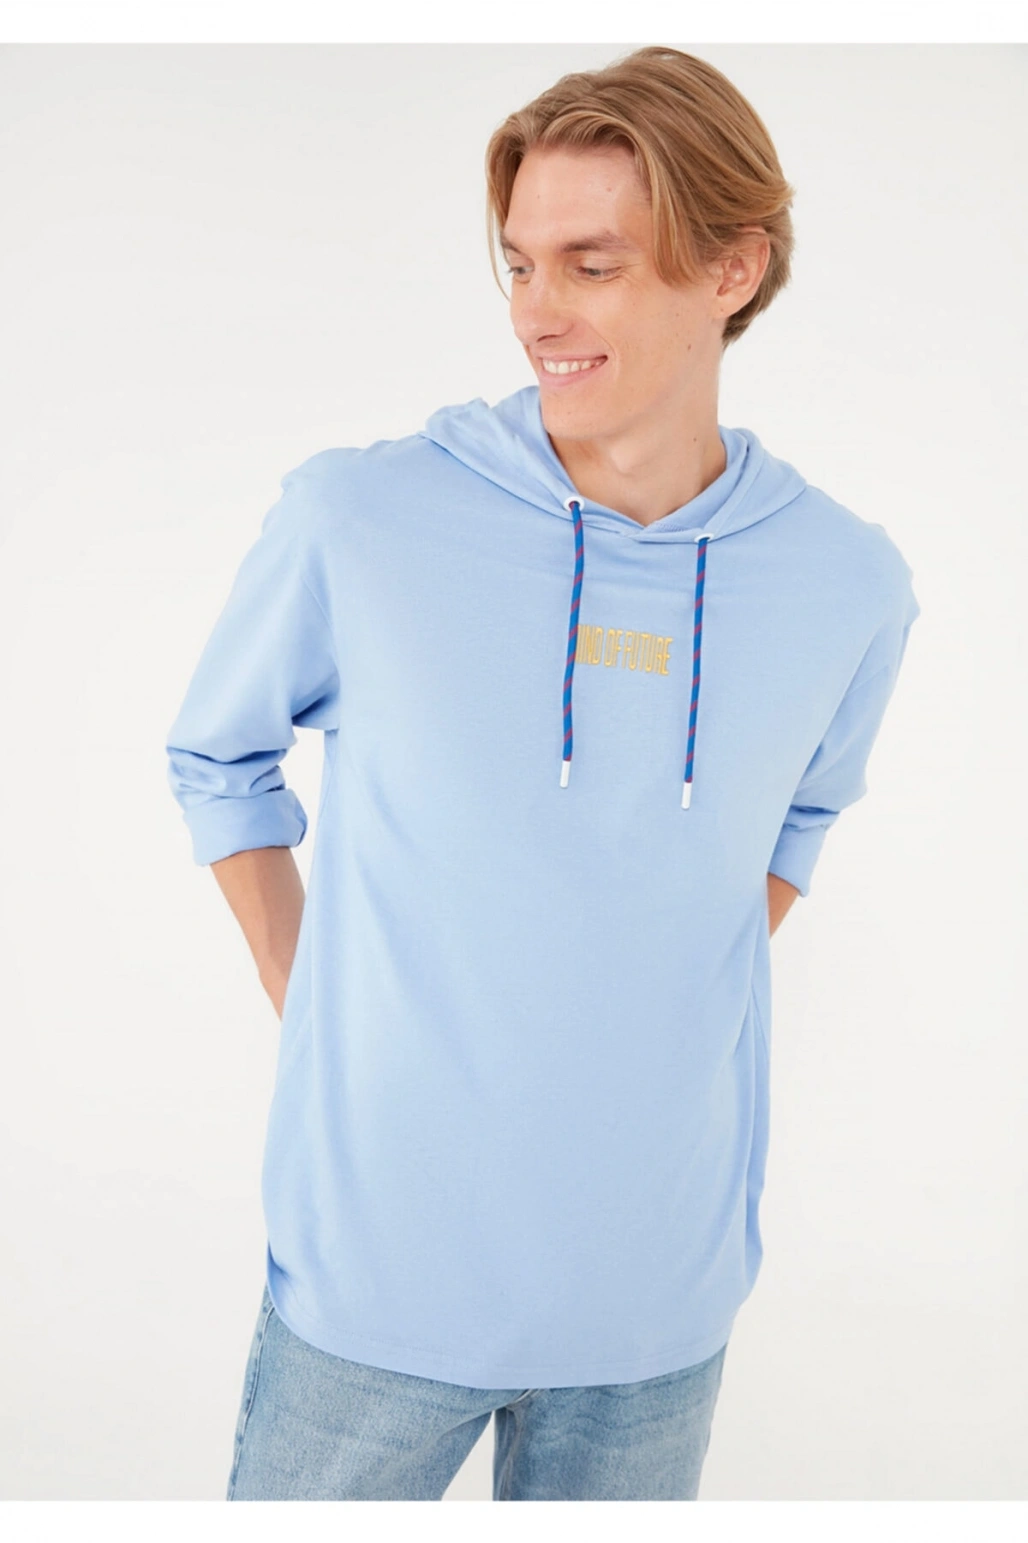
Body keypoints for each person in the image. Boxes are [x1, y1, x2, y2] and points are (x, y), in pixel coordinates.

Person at [165, 46, 920, 1502]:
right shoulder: (363, 518)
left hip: (655, 1301)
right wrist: (316, 996)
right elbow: (218, 752)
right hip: (376, 1277)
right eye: (518, 264)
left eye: (591, 265)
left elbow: (800, 819)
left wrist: (636, 1003)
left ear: (732, 270)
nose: (534, 312)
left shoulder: (846, 583)